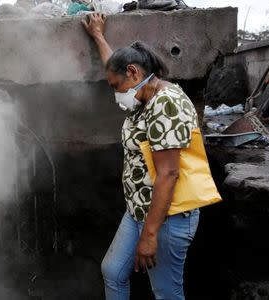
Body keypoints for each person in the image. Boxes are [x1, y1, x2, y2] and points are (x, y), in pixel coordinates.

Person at [82, 13, 200, 300]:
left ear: (134, 73)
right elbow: (116, 70)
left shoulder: (166, 104)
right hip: (139, 210)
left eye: (114, 87)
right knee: (113, 272)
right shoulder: (142, 97)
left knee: (167, 293)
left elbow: (169, 174)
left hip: (167, 218)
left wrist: (150, 235)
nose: (115, 94)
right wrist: (98, 35)